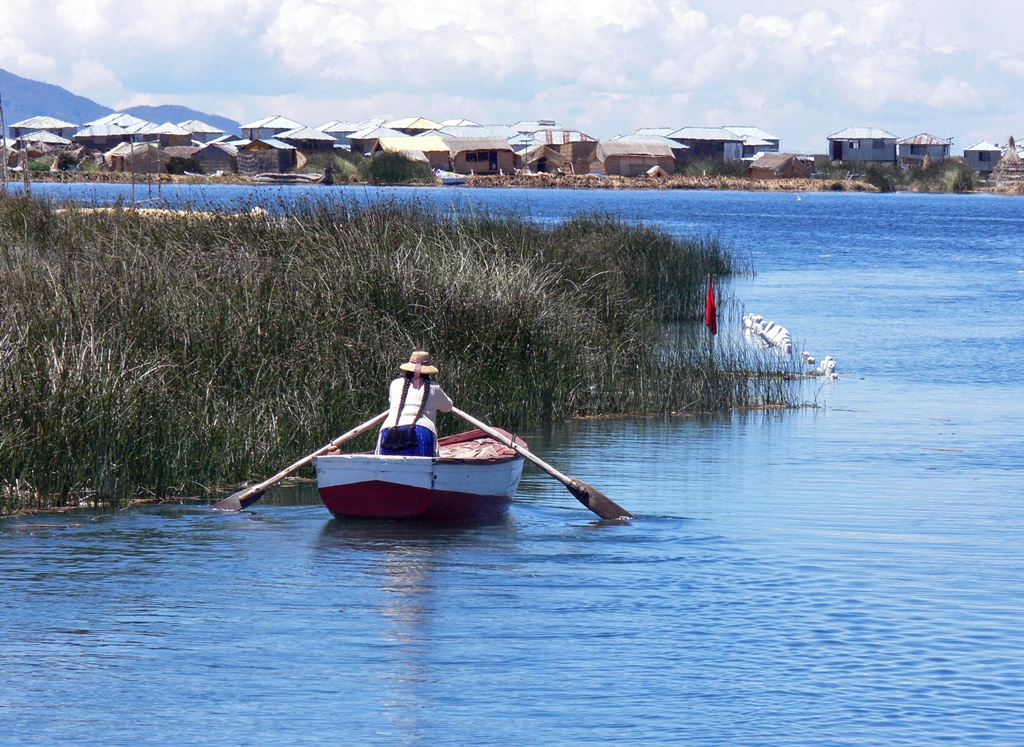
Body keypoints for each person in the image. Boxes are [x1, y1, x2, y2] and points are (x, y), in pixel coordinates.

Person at [377, 351, 453, 457]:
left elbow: (392, 401)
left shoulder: (395, 384)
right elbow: (447, 407)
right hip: (421, 433)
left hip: (390, 431)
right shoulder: (434, 387)